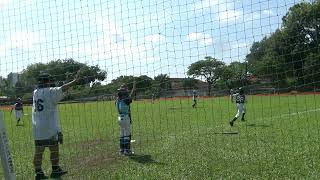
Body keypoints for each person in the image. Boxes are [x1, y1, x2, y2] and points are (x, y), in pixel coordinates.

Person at [32, 73, 78, 179]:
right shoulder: (50, 91)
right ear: (47, 81)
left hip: (37, 127)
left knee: (39, 151)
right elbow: (62, 89)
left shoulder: (35, 92)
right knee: (54, 149)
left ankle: (38, 172)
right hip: (49, 126)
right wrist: (74, 81)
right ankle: (55, 170)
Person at [115, 82, 136, 156]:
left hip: (120, 117)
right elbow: (131, 97)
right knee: (127, 134)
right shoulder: (125, 99)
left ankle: (122, 150)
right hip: (125, 118)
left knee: (122, 134)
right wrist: (134, 88)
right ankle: (127, 151)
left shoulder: (118, 99)